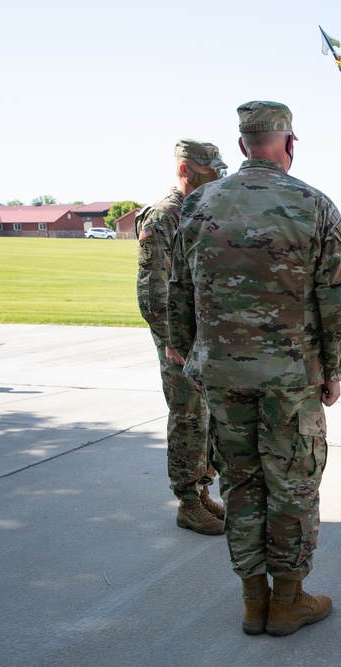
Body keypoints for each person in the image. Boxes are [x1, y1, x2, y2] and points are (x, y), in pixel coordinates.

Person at [167, 101, 341, 637]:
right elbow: (335, 298)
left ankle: (254, 602)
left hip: (223, 376)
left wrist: (190, 354)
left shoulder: (200, 203)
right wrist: (334, 368)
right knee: (292, 484)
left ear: (244, 142)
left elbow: (178, 290)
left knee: (242, 484)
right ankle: (288, 601)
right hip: (289, 378)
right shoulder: (312, 204)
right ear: (289, 143)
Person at [136, 139, 229, 536]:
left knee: (206, 417)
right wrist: (173, 341)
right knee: (188, 416)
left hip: (205, 335)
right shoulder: (163, 217)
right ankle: (187, 501)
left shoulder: (203, 211)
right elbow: (151, 290)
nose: (216, 178)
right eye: (209, 172)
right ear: (185, 169)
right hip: (178, 338)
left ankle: (203, 488)